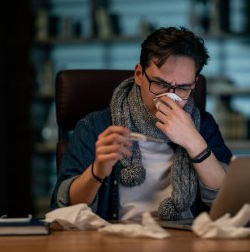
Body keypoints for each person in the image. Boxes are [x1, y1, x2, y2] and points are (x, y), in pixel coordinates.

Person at [51, 26, 232, 221]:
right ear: (139, 74)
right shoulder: (96, 126)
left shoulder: (203, 126)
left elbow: (229, 199)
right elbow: (65, 206)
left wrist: (194, 142)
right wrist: (97, 172)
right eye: (160, 84)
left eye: (182, 88)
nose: (170, 96)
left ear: (194, 83)